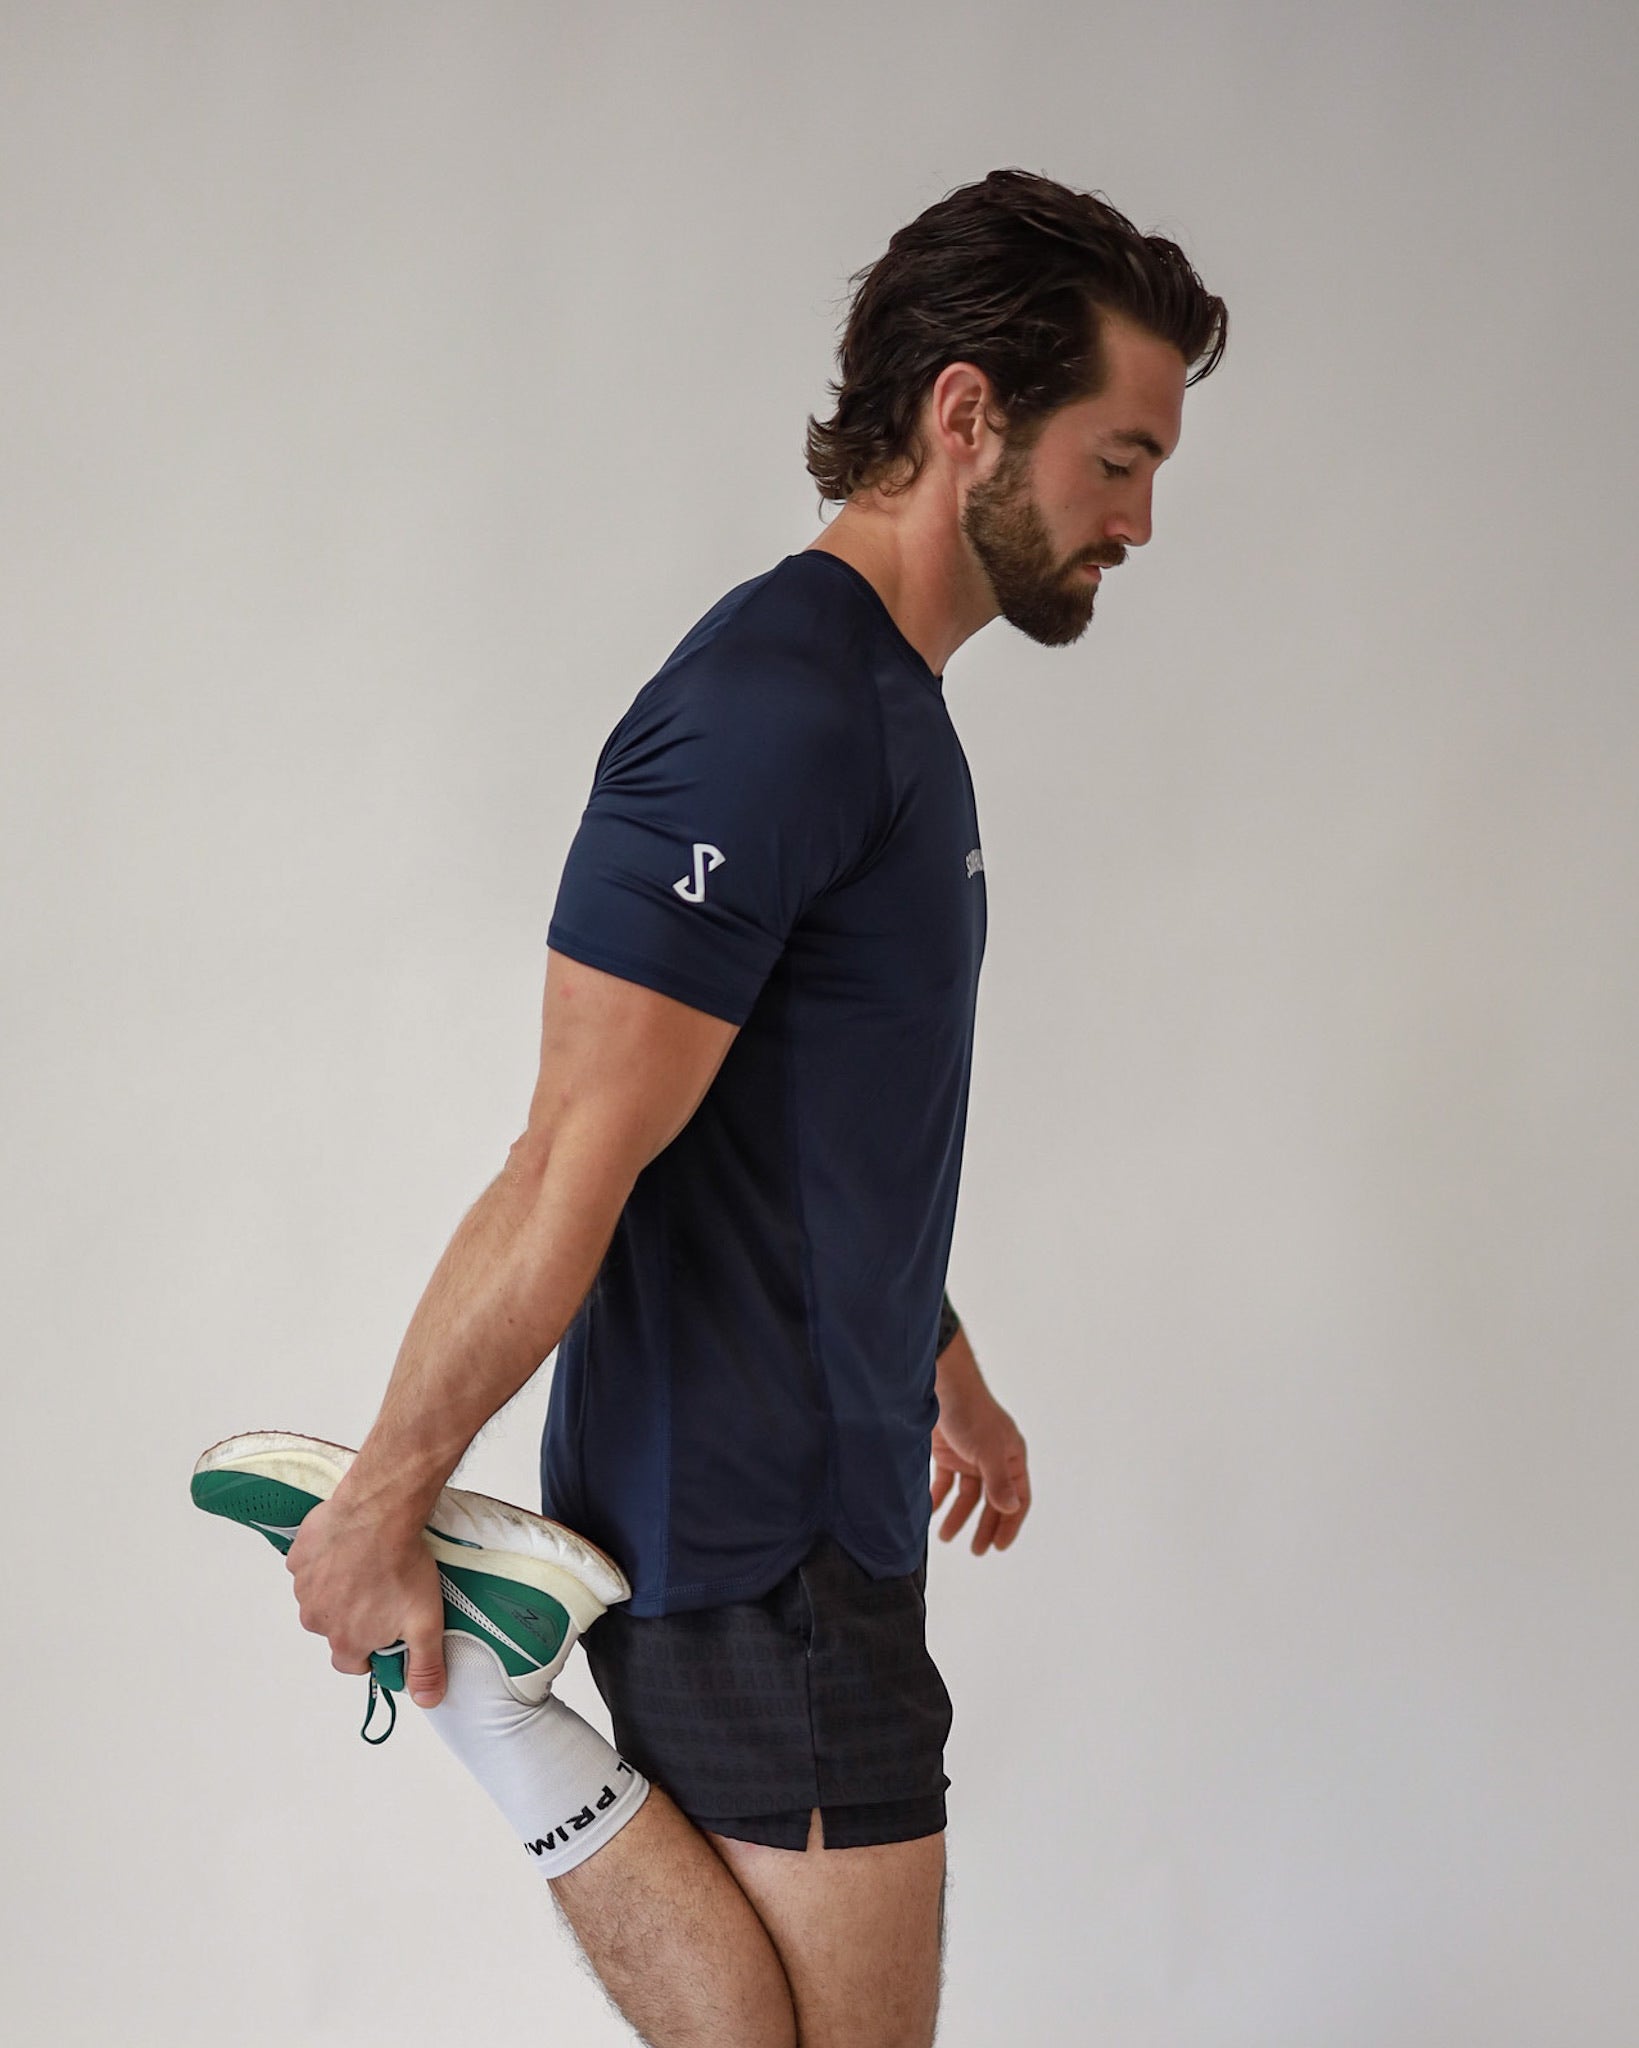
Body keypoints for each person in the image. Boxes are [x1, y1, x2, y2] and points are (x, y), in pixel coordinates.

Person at [229, 167, 1226, 2048]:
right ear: (966, 416)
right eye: (1119, 456)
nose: (1143, 517)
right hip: (757, 1530)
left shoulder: (885, 710)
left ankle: (498, 1716)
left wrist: (942, 1356)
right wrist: (380, 1505)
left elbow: (801, 1111)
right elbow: (570, 1157)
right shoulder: (772, 709)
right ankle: (487, 1708)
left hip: (817, 1500)